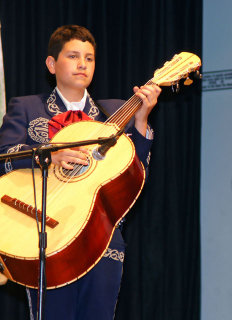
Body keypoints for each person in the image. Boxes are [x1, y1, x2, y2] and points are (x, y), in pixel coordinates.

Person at [0, 25, 161, 319]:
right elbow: (3, 158)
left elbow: (135, 174)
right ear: (52, 64)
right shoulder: (27, 107)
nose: (82, 64)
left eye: (89, 58)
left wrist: (140, 121)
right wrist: (49, 154)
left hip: (102, 236)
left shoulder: (114, 112)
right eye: (73, 56)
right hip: (45, 232)